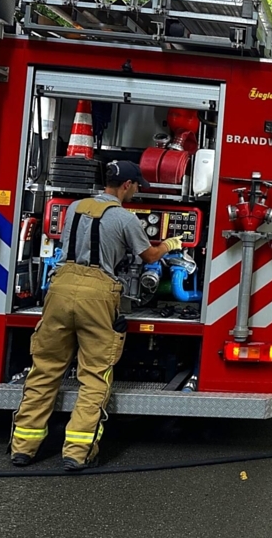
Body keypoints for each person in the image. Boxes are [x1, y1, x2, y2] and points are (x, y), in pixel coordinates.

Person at [10, 160, 184, 470]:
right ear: (127, 186)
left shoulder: (75, 207)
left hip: (60, 288)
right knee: (93, 376)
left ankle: (23, 447)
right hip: (98, 294)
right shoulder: (124, 218)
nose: (134, 192)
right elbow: (149, 256)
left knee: (45, 369)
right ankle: (77, 452)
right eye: (135, 187)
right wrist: (170, 244)